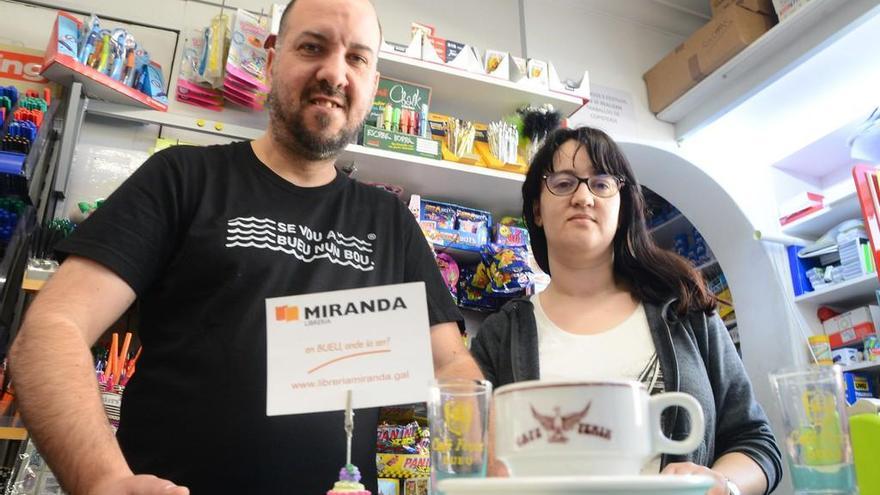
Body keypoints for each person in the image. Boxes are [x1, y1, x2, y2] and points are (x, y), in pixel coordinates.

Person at [8, 0, 484, 494]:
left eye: (357, 58)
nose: (334, 73)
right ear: (273, 57)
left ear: (374, 85)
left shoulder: (390, 222)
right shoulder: (183, 178)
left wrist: (481, 465)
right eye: (312, 47)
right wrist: (103, 480)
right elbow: (51, 330)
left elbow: (450, 365)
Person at [470, 127, 782, 495]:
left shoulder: (682, 308)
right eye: (564, 182)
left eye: (601, 183)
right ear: (536, 209)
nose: (583, 196)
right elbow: (471, 463)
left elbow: (756, 441)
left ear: (622, 206)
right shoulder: (500, 336)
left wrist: (725, 485)